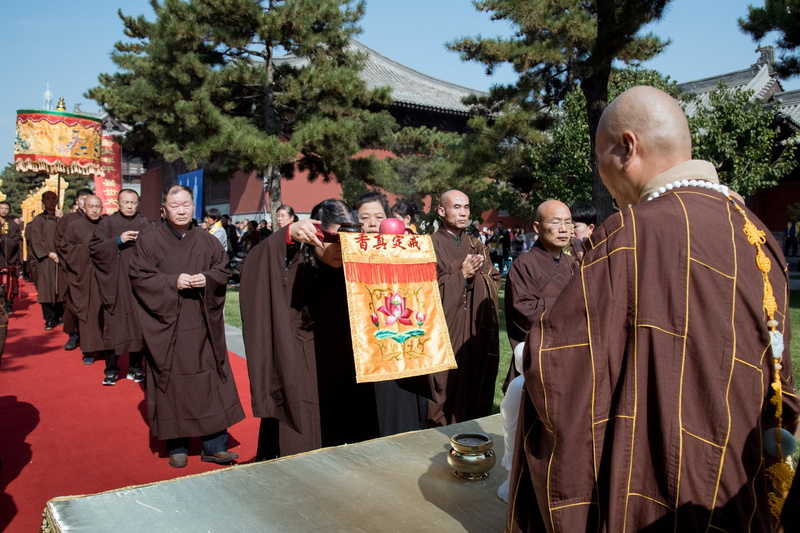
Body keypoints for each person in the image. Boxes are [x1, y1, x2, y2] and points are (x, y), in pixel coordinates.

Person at [506, 86, 800, 532]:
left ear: (627, 148)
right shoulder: (756, 234)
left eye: (599, 157)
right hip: (739, 469)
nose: (601, 172)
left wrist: (526, 355)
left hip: (662, 480)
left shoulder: (631, 233)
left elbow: (567, 364)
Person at [241, 199, 381, 459]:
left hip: (346, 361)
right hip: (302, 363)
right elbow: (256, 266)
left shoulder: (356, 264)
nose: (342, 248)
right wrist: (286, 235)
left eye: (349, 240)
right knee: (305, 435)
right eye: (335, 239)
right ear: (316, 234)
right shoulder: (295, 264)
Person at [130, 185, 244, 468]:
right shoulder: (149, 240)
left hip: (202, 323)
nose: (180, 210)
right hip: (167, 326)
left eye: (186, 205)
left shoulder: (206, 240)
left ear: (193, 207)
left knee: (208, 379)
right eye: (174, 205)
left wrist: (207, 278)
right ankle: (177, 445)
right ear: (163, 209)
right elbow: (139, 277)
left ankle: (214, 445)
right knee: (173, 382)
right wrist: (172, 282)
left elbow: (223, 268)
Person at [429, 190, 501, 426]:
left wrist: (477, 278)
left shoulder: (476, 244)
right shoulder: (429, 245)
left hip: (473, 328)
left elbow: (494, 278)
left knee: (473, 380)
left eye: (466, 208)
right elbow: (425, 290)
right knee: (443, 386)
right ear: (441, 211)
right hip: (445, 328)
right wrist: (460, 274)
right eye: (457, 207)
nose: (463, 213)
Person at [503, 200, 577, 387]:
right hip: (539, 354)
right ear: (537, 226)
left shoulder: (573, 264)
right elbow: (523, 311)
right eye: (555, 222)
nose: (563, 229)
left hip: (573, 350)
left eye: (568, 222)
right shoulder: (524, 264)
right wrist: (569, 303)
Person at [89, 189, 151, 384]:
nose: (130, 206)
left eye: (133, 203)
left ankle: (135, 367)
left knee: (137, 326)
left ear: (138, 204)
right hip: (114, 283)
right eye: (126, 202)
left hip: (137, 284)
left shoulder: (144, 224)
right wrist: (118, 240)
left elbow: (156, 250)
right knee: (113, 325)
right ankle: (111, 369)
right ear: (118, 203)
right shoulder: (107, 224)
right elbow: (94, 248)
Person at [58, 195, 111, 367]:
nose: (95, 210)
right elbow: (65, 248)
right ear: (84, 208)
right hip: (83, 275)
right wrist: (88, 247)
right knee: (87, 312)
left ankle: (105, 347)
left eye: (98, 207)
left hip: (103, 275)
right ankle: (88, 350)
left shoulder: (107, 225)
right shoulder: (74, 226)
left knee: (104, 310)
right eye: (91, 207)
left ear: (102, 208)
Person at [56, 188, 93, 351]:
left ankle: (92, 337)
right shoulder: (68, 219)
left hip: (93, 270)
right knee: (71, 303)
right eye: (82, 198)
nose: (85, 202)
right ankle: (73, 334)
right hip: (71, 268)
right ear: (77, 201)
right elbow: (60, 244)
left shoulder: (99, 220)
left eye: (88, 198)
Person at [26, 191, 63, 330]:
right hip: (45, 259)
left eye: (54, 198)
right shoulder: (38, 220)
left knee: (60, 288)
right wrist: (48, 254)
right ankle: (48, 318)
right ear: (43, 201)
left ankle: (60, 315)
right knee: (46, 289)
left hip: (61, 258)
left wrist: (62, 219)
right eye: (48, 199)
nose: (51, 201)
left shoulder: (61, 217)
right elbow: (35, 240)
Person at [0, 201, 22, 314]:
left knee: (9, 282)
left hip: (10, 258)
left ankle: (9, 303)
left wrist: (3, 240)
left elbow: (16, 240)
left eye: (6, 208)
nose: (4, 210)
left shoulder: (14, 225)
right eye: (2, 208)